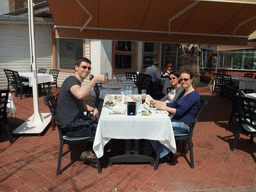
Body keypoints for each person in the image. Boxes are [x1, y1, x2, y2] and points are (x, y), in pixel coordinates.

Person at [56, 57, 106, 160]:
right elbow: (79, 95)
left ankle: (87, 148)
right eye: (84, 67)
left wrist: (93, 109)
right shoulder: (71, 80)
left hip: (73, 121)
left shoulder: (75, 82)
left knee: (98, 120)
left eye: (88, 68)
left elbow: (80, 103)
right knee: (99, 127)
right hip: (69, 127)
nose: (86, 70)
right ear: (76, 67)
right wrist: (95, 79)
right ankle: (88, 153)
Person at [150, 70, 200, 165]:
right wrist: (158, 102)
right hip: (176, 120)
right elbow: (173, 104)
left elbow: (180, 111)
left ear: (191, 80)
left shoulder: (194, 95)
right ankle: (166, 151)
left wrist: (163, 107)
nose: (183, 81)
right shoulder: (184, 93)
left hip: (184, 125)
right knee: (152, 123)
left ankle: (166, 152)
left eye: (186, 79)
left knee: (153, 127)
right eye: (181, 80)